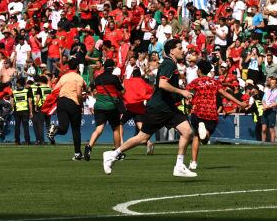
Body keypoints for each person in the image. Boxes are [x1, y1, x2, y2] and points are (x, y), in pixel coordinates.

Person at [102, 39, 198, 178]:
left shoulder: (172, 63)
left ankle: (179, 166)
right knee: (142, 138)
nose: (183, 50)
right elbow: (162, 84)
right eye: (179, 48)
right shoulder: (168, 63)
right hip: (159, 108)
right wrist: (181, 92)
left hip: (169, 108)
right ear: (171, 51)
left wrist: (180, 94)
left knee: (187, 132)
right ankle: (112, 154)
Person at [187, 59, 246, 170]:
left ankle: (194, 162)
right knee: (205, 139)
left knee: (196, 136)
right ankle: (204, 132)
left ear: (199, 70)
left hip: (198, 111)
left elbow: (187, 93)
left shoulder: (195, 82)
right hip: (211, 113)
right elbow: (225, 94)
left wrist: (188, 101)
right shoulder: (215, 82)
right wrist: (239, 103)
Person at [85, 58, 124, 160]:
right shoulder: (114, 78)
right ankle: (117, 153)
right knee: (116, 129)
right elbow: (122, 91)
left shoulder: (98, 78)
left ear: (104, 67)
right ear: (112, 68)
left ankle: (89, 147)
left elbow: (90, 88)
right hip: (111, 106)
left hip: (99, 106)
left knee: (99, 129)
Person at [48, 58, 86, 160]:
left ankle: (54, 129)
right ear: (77, 67)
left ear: (68, 66)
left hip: (61, 102)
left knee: (63, 128)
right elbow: (79, 93)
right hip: (73, 102)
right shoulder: (78, 77)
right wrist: (81, 104)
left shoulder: (63, 77)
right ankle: (77, 153)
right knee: (76, 130)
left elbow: (55, 90)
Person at [121, 67, 155, 154]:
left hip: (130, 107)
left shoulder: (127, 81)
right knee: (140, 126)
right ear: (140, 75)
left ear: (132, 74)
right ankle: (148, 142)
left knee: (119, 123)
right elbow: (151, 90)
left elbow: (122, 91)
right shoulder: (142, 82)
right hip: (139, 108)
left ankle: (120, 142)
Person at [12, 77, 33, 145]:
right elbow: (30, 102)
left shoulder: (14, 92)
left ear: (18, 84)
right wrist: (31, 112)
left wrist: (13, 109)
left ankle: (17, 141)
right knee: (25, 127)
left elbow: (12, 102)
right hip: (25, 111)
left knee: (17, 126)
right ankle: (27, 141)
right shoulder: (27, 91)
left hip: (17, 111)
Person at [31, 75, 51, 144]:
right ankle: (52, 139)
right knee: (48, 125)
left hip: (42, 107)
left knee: (40, 125)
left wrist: (36, 106)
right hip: (49, 107)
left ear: (40, 81)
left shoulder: (39, 88)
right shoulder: (49, 88)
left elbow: (38, 98)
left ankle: (41, 140)